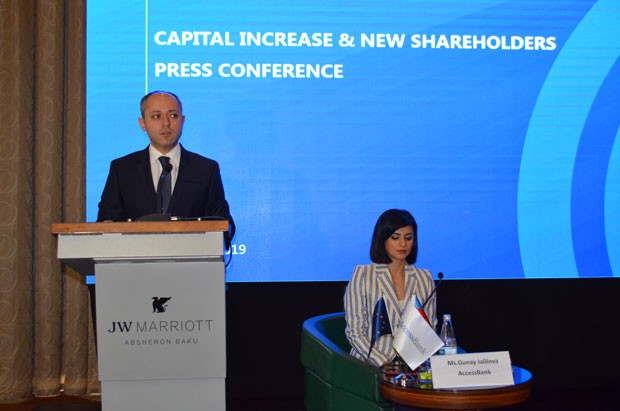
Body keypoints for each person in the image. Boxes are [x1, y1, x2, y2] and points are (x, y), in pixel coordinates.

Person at [97, 90, 235, 239]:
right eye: (157, 116)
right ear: (142, 123)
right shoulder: (122, 169)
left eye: (173, 115)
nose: (166, 123)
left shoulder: (205, 169)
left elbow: (223, 223)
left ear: (183, 120)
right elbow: (106, 222)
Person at [344, 209, 437, 367]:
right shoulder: (363, 274)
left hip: (410, 367)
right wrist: (385, 364)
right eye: (395, 237)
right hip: (369, 366)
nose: (403, 244)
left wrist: (411, 365)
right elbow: (355, 333)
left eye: (408, 238)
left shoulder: (424, 278)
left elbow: (429, 329)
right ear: (382, 239)